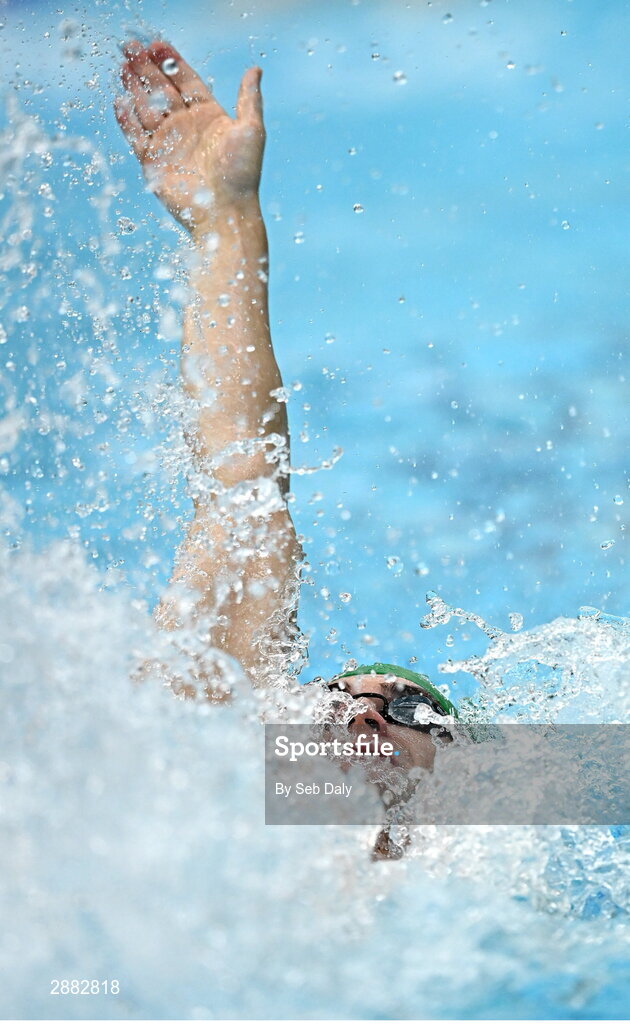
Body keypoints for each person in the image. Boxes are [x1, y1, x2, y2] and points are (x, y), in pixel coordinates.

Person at [114, 40, 457, 852]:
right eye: (339, 702)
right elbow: (244, 487)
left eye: (409, 713)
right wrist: (225, 221)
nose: (365, 714)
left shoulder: (472, 885)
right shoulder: (209, 802)